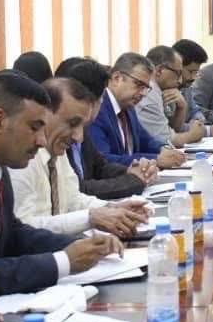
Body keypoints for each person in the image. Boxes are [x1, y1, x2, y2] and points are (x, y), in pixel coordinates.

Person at [0, 71, 121, 300]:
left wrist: (79, 244)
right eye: (34, 128)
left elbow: (12, 233)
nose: (42, 140)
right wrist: (62, 262)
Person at [10, 78, 149, 237]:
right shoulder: (22, 158)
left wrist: (112, 208)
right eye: (72, 123)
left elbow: (72, 200)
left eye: (83, 126)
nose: (79, 137)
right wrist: (90, 218)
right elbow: (23, 227)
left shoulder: (56, 151)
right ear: (44, 114)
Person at [60, 58, 157, 199]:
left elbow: (100, 166)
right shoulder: (61, 132)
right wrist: (133, 180)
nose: (78, 136)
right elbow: (77, 189)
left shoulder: (127, 108)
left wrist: (131, 171)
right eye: (138, 84)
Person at [90, 52, 186, 168]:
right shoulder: (97, 110)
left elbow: (145, 140)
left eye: (146, 88)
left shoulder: (128, 107)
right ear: (116, 78)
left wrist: (163, 149)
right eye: (139, 84)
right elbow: (103, 160)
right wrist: (156, 160)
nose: (144, 93)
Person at [172, 38, 209, 123]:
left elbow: (194, 110)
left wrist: (199, 119)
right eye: (190, 71)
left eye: (196, 72)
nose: (193, 77)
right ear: (177, 66)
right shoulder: (165, 90)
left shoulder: (186, 86)